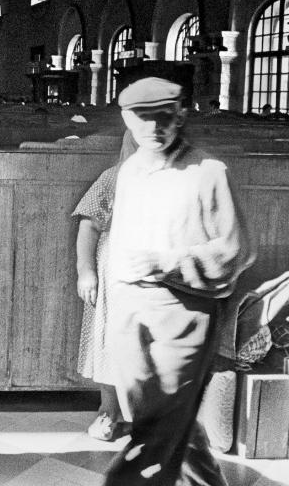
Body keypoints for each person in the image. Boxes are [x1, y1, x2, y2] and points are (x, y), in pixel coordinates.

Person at [103, 77, 254, 486]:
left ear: (181, 114)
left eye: (163, 117)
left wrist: (169, 263)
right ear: (126, 119)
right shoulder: (130, 171)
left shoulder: (208, 172)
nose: (153, 129)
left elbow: (237, 249)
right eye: (142, 118)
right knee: (172, 427)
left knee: (154, 437)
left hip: (184, 316)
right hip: (130, 313)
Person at [72, 130, 137, 441]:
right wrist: (85, 271)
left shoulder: (175, 181)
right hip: (114, 274)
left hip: (156, 276)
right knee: (108, 341)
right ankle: (108, 409)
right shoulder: (114, 177)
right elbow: (90, 225)